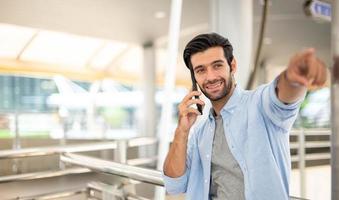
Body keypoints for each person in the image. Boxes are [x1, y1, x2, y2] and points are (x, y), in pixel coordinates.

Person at [162, 33, 327, 200]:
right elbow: (174, 185)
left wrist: (292, 79)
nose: (210, 77)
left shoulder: (259, 104)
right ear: (194, 77)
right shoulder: (199, 133)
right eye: (201, 70)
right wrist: (181, 131)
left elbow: (281, 96)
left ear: (232, 65)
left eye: (217, 65)